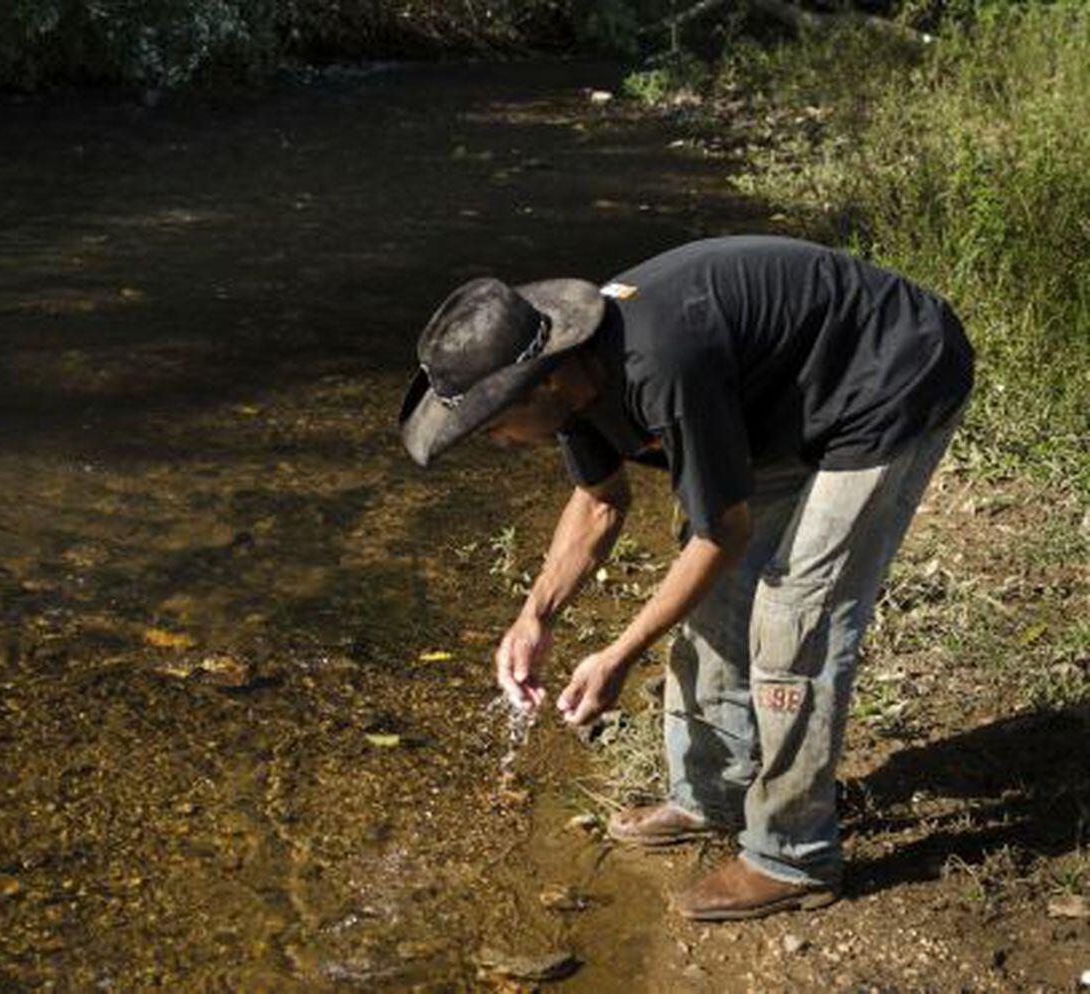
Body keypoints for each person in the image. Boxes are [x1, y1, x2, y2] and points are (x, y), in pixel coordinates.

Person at [397, 235, 973, 921]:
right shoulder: (574, 382)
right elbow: (600, 502)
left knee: (794, 620)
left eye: (491, 425)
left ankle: (793, 857)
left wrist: (618, 655)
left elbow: (722, 532)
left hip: (889, 382)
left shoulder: (662, 363)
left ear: (542, 382)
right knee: (714, 603)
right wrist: (535, 617)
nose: (494, 443)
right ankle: (712, 795)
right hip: (784, 401)